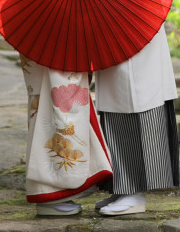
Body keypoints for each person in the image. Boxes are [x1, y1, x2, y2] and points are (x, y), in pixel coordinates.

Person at [93, 25, 180, 216]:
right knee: (114, 101)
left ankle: (135, 192)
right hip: (113, 32)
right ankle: (122, 188)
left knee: (135, 100)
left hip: (135, 30)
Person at [20, 57, 113, 216]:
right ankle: (50, 195)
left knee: (44, 109)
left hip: (46, 50)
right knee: (55, 108)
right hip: (56, 49)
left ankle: (49, 193)